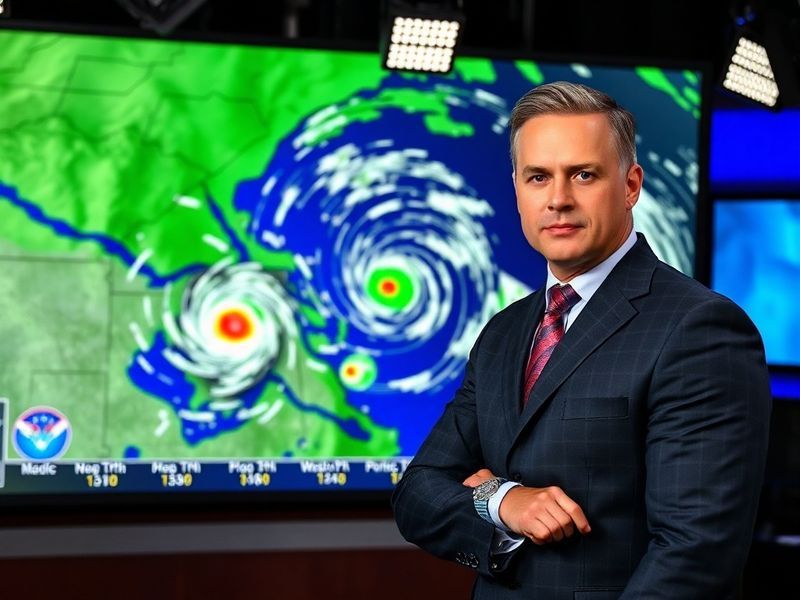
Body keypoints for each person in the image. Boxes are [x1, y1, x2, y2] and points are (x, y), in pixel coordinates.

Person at [391, 81, 772, 599]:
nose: (558, 199)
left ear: (631, 186)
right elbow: (418, 493)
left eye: (584, 175)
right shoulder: (503, 332)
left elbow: (695, 554)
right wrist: (502, 500)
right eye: (538, 177)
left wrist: (481, 486)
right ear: (518, 191)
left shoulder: (699, 329)